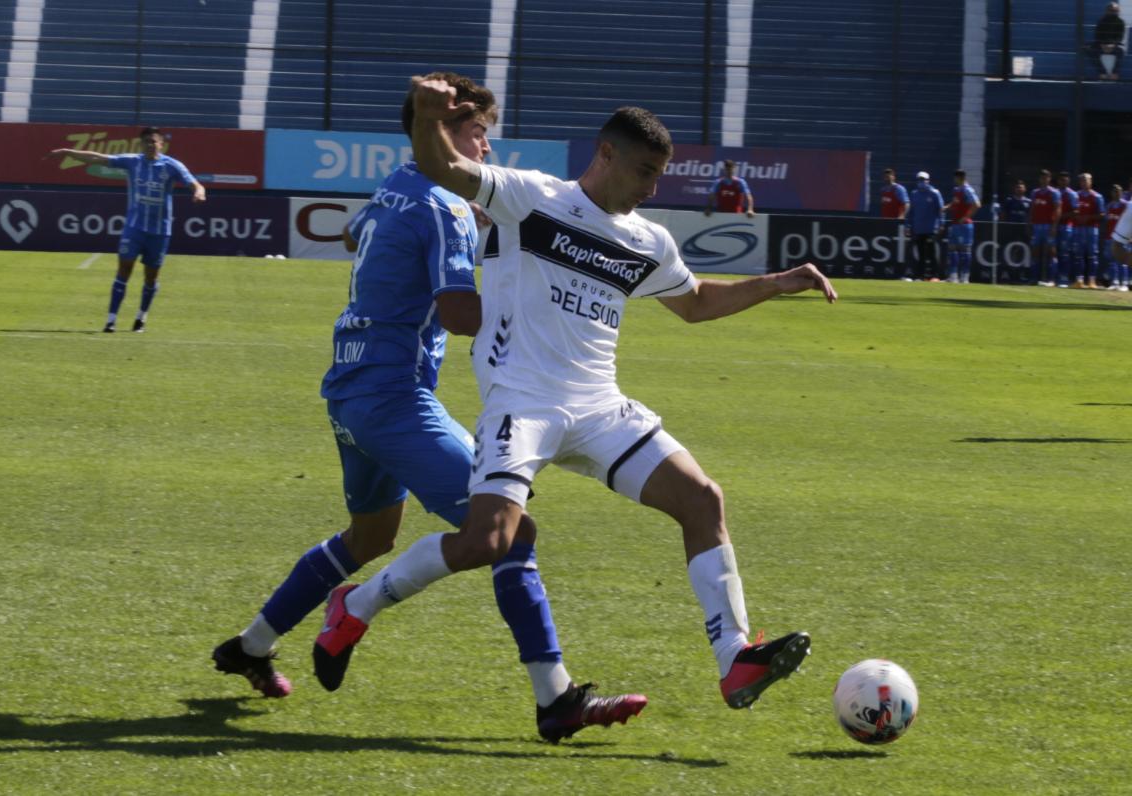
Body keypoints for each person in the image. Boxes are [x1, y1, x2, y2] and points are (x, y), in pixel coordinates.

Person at [313, 78, 838, 730]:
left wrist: (778, 283)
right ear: (606, 154)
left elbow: (696, 302)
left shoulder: (647, 240)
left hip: (599, 410)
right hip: (522, 405)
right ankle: (356, 605)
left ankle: (735, 657)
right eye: (644, 172)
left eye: (660, 175)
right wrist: (428, 117)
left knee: (703, 498)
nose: (652, 188)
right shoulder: (531, 198)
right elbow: (443, 167)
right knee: (487, 541)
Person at [211, 72, 646, 745]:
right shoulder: (445, 206)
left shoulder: (396, 186)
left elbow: (356, 235)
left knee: (370, 538)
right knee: (510, 532)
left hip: (350, 388)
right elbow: (458, 312)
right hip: (393, 398)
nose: (487, 149)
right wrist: (538, 302)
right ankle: (555, 697)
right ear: (442, 131)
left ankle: (251, 646)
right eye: (477, 134)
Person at [49, 128, 205, 333]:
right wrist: (69, 152)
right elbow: (98, 158)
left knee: (151, 277)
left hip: (159, 232)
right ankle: (111, 320)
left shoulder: (172, 166)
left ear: (161, 144)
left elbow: (196, 184)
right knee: (124, 271)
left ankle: (141, 317)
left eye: (154, 141)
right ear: (141, 144)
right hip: (134, 228)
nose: (150, 145)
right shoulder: (132, 161)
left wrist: (199, 193)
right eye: (146, 141)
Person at [942, 169, 981, 283]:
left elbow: (977, 204)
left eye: (956, 178)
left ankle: (965, 276)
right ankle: (953, 276)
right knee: (952, 249)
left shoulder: (967, 190)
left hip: (964, 225)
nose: (954, 180)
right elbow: (955, 204)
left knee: (965, 250)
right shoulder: (957, 190)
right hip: (955, 224)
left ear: (960, 178)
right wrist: (946, 207)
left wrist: (966, 217)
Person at [906, 171, 944, 281]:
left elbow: (940, 210)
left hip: (931, 229)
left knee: (931, 253)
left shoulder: (935, 193)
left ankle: (935, 275)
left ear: (928, 180)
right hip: (918, 229)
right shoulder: (914, 194)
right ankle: (920, 276)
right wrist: (908, 225)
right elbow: (911, 212)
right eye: (919, 179)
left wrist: (941, 223)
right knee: (921, 254)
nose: (921, 182)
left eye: (923, 179)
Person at [1070, 173, 1106, 288]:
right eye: (1082, 180)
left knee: (1092, 255)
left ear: (1091, 182)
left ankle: (1091, 281)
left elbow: (1102, 214)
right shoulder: (1075, 195)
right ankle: (1079, 280)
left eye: (1086, 180)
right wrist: (1077, 217)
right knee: (1078, 254)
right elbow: (1073, 210)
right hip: (1078, 228)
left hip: (1091, 229)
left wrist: (1088, 218)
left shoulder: (1097, 196)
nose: (1084, 182)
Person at [1028, 170, 1062, 286]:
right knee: (1035, 251)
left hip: (1048, 225)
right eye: (1042, 177)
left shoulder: (1054, 192)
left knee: (1051, 251)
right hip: (1037, 225)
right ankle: (1034, 278)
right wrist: (1030, 222)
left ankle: (1052, 279)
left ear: (1049, 178)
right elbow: (1032, 208)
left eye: (1046, 177)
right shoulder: (1035, 192)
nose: (1044, 179)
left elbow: (1058, 209)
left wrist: (1054, 226)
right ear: (1039, 179)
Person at [1054, 171, 1080, 287]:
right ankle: (1054, 277)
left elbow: (1076, 211)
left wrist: (1061, 216)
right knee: (1054, 252)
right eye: (1061, 180)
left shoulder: (1072, 194)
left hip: (1066, 227)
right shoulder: (1055, 192)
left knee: (1065, 252)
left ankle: (1064, 277)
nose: (1063, 182)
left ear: (1068, 181)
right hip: (1054, 226)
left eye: (1065, 180)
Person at [1090, 3, 1126, 80]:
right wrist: (1103, 45)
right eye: (1111, 10)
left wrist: (1113, 45)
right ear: (1107, 11)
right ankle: (1102, 72)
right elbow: (1097, 35)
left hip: (1114, 45)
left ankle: (1114, 73)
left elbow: (1120, 37)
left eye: (1115, 11)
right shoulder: (1101, 21)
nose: (1113, 12)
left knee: (1121, 51)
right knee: (1090, 50)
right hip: (1102, 45)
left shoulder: (1120, 22)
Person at [1104, 185, 1129, 290]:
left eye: (1118, 191)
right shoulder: (1109, 206)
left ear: (1121, 193)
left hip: (1123, 237)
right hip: (1111, 236)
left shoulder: (1126, 205)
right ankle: (1114, 282)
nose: (1116, 193)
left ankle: (1124, 283)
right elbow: (1107, 222)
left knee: (1122, 260)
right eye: (1114, 191)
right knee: (1112, 260)